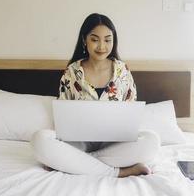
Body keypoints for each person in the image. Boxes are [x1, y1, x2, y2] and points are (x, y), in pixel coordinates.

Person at [31, 13, 160, 177]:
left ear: (114, 41)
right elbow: (62, 112)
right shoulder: (72, 72)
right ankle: (116, 172)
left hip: (115, 143)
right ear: (84, 40)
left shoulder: (123, 71)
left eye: (107, 40)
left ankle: (72, 162)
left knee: (152, 141)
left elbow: (131, 110)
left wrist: (60, 158)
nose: (102, 46)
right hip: (78, 142)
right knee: (39, 139)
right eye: (95, 39)